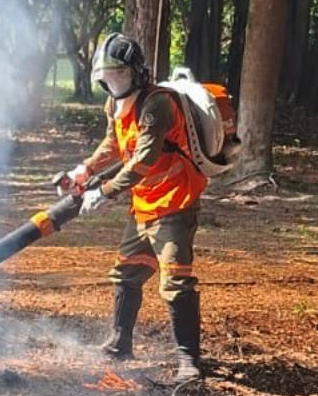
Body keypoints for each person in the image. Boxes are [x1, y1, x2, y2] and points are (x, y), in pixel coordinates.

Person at [55, 33, 206, 382]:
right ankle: (119, 343)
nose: (113, 82)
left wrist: (105, 192)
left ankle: (188, 360)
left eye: (119, 74)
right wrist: (85, 169)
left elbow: (145, 160)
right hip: (145, 202)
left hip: (175, 202)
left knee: (175, 280)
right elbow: (114, 143)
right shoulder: (115, 104)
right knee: (127, 270)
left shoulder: (157, 105)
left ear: (137, 72)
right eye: (107, 77)